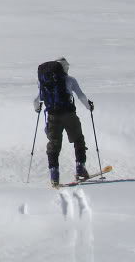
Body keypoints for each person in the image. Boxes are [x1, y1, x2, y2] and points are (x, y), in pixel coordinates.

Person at [34, 57, 94, 187]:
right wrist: (89, 107)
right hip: (69, 114)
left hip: (52, 116)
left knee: (54, 145)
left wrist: (37, 108)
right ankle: (80, 168)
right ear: (64, 68)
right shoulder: (70, 80)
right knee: (78, 139)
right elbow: (81, 96)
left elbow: (37, 101)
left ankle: (54, 175)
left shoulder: (43, 82)